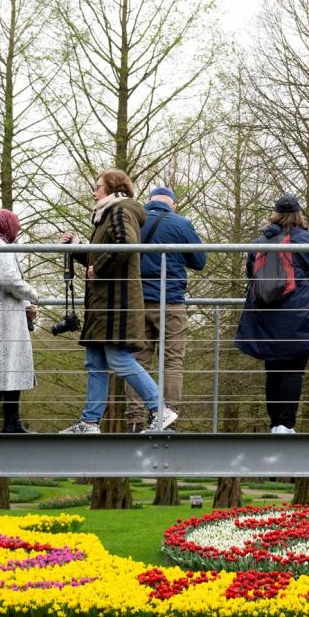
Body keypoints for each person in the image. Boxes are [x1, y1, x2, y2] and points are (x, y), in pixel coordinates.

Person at [59, 169, 176, 434]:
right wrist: (79, 247)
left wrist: (98, 268)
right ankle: (89, 422)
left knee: (119, 358)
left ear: (113, 188)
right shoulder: (107, 214)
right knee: (95, 361)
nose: (94, 191)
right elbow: (98, 259)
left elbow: (126, 244)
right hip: (104, 302)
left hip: (116, 302)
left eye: (98, 186)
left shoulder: (120, 210)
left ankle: (160, 409)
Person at [234, 195, 309, 434]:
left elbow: (252, 274)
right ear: (299, 214)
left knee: (273, 369)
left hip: (266, 313)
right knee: (293, 368)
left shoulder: (261, 241)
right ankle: (285, 425)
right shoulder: (307, 239)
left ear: (275, 214)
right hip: (298, 311)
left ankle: (274, 423)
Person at [124, 186, 207, 432]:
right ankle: (168, 417)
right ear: (174, 204)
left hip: (137, 302)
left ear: (148, 201)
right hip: (169, 301)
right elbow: (200, 261)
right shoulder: (181, 224)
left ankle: (136, 420)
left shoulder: (133, 221)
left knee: (137, 361)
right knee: (172, 362)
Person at [0, 209, 38, 433]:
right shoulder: (0, 246)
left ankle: (12, 420)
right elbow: (8, 279)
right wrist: (33, 293)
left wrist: (25, 305)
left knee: (11, 367)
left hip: (7, 315)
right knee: (2, 366)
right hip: (2, 318)